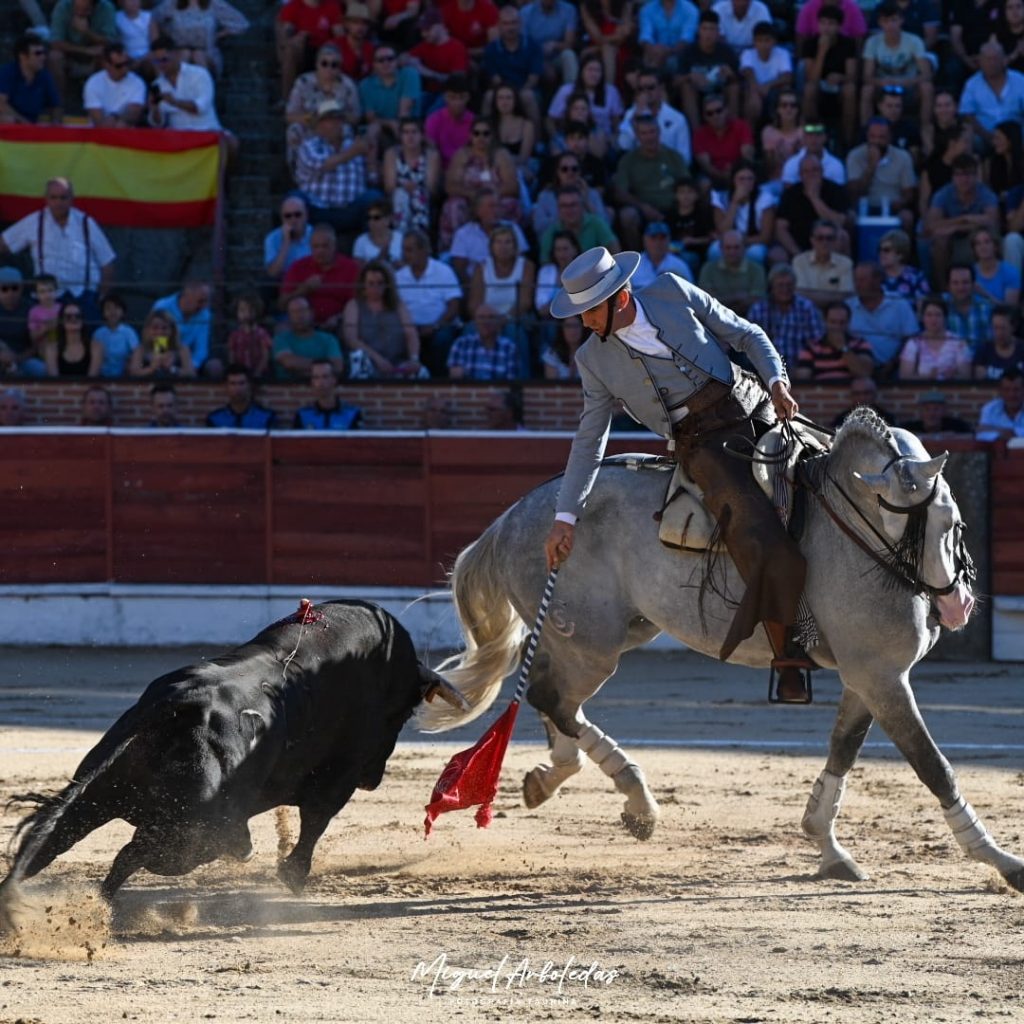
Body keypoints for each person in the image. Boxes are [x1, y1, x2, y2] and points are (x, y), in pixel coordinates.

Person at [545, 245, 813, 703]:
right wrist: (565, 517)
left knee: (824, 476)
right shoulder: (593, 359)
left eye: (590, 312)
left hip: (755, 402)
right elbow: (590, 440)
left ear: (620, 299)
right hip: (702, 443)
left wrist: (777, 382)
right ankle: (788, 648)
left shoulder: (671, 290)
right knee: (753, 527)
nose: (584, 323)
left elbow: (747, 335)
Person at [0, 177, 116, 323]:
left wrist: (100, 298)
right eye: (53, 198)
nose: (58, 203)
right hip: (48, 299)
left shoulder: (86, 222)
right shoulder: (35, 221)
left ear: (72, 199)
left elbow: (107, 263)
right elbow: (4, 243)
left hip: (85, 296)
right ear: (46, 199)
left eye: (63, 198)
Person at [293, 98, 378, 234]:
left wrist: (371, 161)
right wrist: (353, 152)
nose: (335, 124)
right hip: (318, 210)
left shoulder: (355, 145)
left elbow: (372, 180)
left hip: (350, 209)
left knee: (374, 198)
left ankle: (369, 246)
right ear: (319, 125)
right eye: (329, 120)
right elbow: (322, 166)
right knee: (295, 199)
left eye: (339, 119)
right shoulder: (309, 146)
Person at [613, 114, 690, 249]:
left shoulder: (674, 157)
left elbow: (688, 184)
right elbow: (620, 192)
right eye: (644, 133)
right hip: (644, 211)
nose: (649, 137)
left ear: (659, 132)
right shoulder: (628, 161)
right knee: (627, 215)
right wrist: (643, 207)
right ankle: (637, 258)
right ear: (637, 136)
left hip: (675, 209)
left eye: (652, 132)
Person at [923, 153, 999, 288]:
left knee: (985, 238)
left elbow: (991, 220)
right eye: (959, 175)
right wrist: (962, 219)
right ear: (953, 177)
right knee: (939, 239)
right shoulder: (943, 194)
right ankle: (943, 288)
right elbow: (932, 225)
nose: (964, 179)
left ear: (976, 176)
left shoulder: (986, 194)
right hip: (951, 240)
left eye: (968, 174)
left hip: (974, 239)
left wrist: (958, 226)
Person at [394, 230, 463, 377]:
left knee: (441, 340)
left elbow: (454, 306)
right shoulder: (398, 277)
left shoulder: (444, 271)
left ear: (424, 250)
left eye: (409, 250)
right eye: (404, 250)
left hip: (439, 326)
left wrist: (436, 326)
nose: (405, 254)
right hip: (409, 329)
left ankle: (439, 382)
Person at [284, 42, 360, 173]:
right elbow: (290, 116)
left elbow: (356, 116)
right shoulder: (303, 82)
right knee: (294, 130)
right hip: (310, 125)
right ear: (317, 64)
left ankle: (342, 172)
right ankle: (298, 173)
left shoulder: (348, 85)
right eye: (324, 63)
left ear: (340, 67)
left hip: (337, 127)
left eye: (334, 65)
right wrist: (311, 118)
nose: (329, 68)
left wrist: (337, 118)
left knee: (347, 131)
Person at [341, 260, 425, 378]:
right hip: (368, 362)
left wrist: (414, 359)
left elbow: (411, 334)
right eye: (371, 283)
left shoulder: (398, 305)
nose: (376, 288)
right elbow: (351, 339)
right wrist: (378, 359)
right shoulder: (354, 305)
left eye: (380, 283)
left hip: (397, 363)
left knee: (420, 373)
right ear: (363, 285)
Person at [859, 0, 933, 129]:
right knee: (867, 90)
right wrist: (882, 82)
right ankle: (866, 130)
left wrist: (905, 82)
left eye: (894, 20)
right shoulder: (872, 42)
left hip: (908, 87)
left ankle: (925, 129)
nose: (891, 25)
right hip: (883, 88)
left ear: (901, 21)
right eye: (886, 21)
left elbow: (926, 74)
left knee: (927, 87)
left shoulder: (914, 41)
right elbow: (866, 76)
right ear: (880, 23)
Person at [279, 223, 359, 331]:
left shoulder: (351, 268)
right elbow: (282, 304)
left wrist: (340, 318)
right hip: (303, 324)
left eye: (325, 246)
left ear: (334, 246)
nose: (320, 251)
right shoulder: (298, 267)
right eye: (316, 246)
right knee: (282, 329)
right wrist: (304, 289)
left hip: (340, 323)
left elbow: (359, 304)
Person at [845, 261, 919, 375]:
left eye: (862, 280)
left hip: (895, 368)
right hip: (857, 370)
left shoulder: (899, 303)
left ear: (877, 280)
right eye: (856, 280)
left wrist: (894, 363)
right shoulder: (848, 306)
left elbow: (911, 338)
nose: (857, 284)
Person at [845, 117, 917, 232]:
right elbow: (854, 193)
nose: (876, 142)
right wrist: (871, 166)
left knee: (907, 217)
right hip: (863, 206)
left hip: (892, 207)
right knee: (849, 218)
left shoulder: (903, 157)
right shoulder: (855, 155)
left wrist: (901, 203)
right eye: (872, 137)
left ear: (889, 138)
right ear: (867, 136)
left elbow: (908, 193)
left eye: (881, 137)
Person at [800, 4, 857, 143]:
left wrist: (841, 78)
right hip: (819, 83)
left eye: (831, 24)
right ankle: (812, 136)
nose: (826, 27)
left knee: (850, 90)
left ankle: (847, 139)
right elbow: (811, 77)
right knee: (809, 89)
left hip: (840, 84)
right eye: (823, 23)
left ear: (839, 27)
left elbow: (853, 75)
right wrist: (822, 51)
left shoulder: (848, 44)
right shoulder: (810, 43)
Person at [747, 264, 824, 367]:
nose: (785, 289)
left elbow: (817, 341)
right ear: (771, 286)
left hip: (801, 367)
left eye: (789, 285)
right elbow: (749, 344)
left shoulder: (806, 308)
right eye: (780, 285)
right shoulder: (758, 309)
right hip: (766, 368)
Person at [149, 0, 249, 77]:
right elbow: (154, 19)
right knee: (185, 54)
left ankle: (204, 96)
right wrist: (158, 45)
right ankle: (180, 93)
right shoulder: (172, 4)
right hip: (179, 49)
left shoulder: (213, 4)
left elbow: (241, 23)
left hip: (206, 51)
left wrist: (219, 35)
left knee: (198, 56)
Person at [146, 35, 223, 132]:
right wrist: (155, 107)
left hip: (206, 131)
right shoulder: (157, 85)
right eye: (157, 61)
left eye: (164, 60)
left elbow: (200, 107)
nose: (161, 65)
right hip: (178, 137)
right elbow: (158, 124)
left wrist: (175, 102)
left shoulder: (199, 74)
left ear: (176, 55)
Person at [678, 9, 740, 127]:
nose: (708, 33)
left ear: (718, 32)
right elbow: (675, 82)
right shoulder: (688, 52)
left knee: (734, 87)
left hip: (720, 90)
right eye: (704, 29)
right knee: (686, 87)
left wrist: (730, 75)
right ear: (698, 30)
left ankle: (733, 129)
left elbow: (738, 80)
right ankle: (696, 133)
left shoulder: (727, 52)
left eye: (712, 29)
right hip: (697, 92)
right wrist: (689, 77)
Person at [958, 40, 1024, 150]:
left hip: (1017, 133)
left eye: (995, 58)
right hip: (984, 135)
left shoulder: (1020, 80)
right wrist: (988, 136)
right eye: (987, 59)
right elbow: (967, 115)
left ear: (1003, 60)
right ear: (980, 61)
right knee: (970, 139)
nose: (991, 63)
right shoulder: (972, 84)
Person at [615, 65, 688, 164]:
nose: (646, 92)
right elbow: (624, 145)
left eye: (650, 88)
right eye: (641, 89)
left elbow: (685, 158)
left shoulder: (677, 118)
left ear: (661, 88)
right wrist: (636, 116)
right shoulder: (630, 114)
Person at [48, 0, 119, 100]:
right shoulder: (63, 7)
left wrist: (87, 32)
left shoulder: (106, 8)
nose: (80, 13)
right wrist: (85, 50)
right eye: (77, 8)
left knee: (108, 56)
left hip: (95, 56)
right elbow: (55, 42)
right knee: (54, 57)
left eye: (85, 10)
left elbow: (109, 41)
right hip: (70, 54)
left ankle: (100, 100)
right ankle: (58, 102)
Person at [381, 120, 439, 238]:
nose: (410, 136)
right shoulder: (392, 154)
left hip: (423, 196)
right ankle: (399, 238)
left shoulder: (431, 155)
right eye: (406, 132)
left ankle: (419, 238)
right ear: (401, 136)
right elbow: (389, 187)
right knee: (401, 195)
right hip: (398, 196)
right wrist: (404, 187)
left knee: (419, 194)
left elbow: (431, 188)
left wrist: (415, 188)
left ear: (422, 135)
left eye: (414, 132)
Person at [795, 300, 874, 381]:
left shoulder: (860, 344)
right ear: (825, 321)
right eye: (833, 322)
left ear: (848, 322)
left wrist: (843, 348)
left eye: (842, 323)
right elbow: (803, 380)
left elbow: (865, 373)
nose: (837, 327)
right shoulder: (811, 348)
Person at [358, 42, 421, 142]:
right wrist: (390, 123)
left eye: (390, 59)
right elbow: (371, 118)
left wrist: (398, 130)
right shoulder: (365, 85)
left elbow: (405, 112)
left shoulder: (409, 74)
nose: (386, 63)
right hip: (383, 128)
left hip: (409, 125)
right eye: (381, 60)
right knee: (372, 130)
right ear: (374, 64)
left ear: (396, 61)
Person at [691, 91, 755, 192]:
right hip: (714, 177)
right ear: (704, 117)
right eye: (710, 113)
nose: (715, 116)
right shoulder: (699, 135)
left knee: (746, 176)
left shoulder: (741, 126)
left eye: (719, 111)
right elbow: (706, 166)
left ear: (726, 110)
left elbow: (747, 157)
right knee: (703, 183)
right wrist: (722, 175)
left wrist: (734, 171)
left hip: (739, 172)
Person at [273, 293, 345, 381]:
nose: (299, 316)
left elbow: (337, 367)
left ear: (312, 313)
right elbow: (289, 363)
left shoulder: (329, 339)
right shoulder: (281, 339)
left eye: (303, 310)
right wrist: (323, 368)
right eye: (294, 312)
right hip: (288, 391)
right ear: (288, 317)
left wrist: (301, 370)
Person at [898, 296, 973, 380]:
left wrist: (953, 377)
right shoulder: (913, 343)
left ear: (945, 317)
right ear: (923, 318)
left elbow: (966, 376)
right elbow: (905, 377)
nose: (933, 319)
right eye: (929, 315)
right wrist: (927, 377)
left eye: (938, 315)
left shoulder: (959, 343)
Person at [697, 229, 766, 316]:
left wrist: (723, 301)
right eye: (728, 247)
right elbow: (706, 301)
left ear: (745, 248)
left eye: (736, 247)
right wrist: (737, 297)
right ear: (721, 248)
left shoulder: (756, 270)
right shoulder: (708, 269)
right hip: (716, 318)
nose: (732, 252)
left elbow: (757, 300)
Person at [0, 31, 62, 124]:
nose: (43, 57)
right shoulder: (7, 73)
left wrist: (55, 122)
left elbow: (55, 105)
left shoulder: (44, 76)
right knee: (7, 119)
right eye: (38, 54)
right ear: (23, 56)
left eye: (44, 53)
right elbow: (1, 104)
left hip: (32, 125)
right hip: (13, 126)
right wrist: (24, 123)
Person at [739, 20, 792, 126]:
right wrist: (755, 92)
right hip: (754, 89)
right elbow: (748, 73)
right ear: (754, 42)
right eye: (760, 40)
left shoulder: (782, 54)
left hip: (774, 90)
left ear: (774, 41)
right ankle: (750, 133)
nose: (763, 44)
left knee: (786, 89)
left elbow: (787, 77)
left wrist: (768, 86)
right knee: (749, 94)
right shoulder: (747, 54)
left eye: (767, 40)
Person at [792, 218, 854, 308]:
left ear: (835, 241)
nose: (825, 242)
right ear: (812, 240)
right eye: (820, 238)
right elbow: (800, 295)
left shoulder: (845, 263)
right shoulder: (799, 261)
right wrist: (834, 296)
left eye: (829, 238)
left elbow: (846, 296)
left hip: (835, 315)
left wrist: (810, 294)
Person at [152, 280, 212, 371]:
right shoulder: (162, 307)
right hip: (163, 354)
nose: (204, 306)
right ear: (187, 296)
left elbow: (201, 348)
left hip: (188, 358)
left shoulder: (205, 314)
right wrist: (163, 358)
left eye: (206, 301)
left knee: (215, 366)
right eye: (201, 301)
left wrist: (192, 366)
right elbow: (156, 338)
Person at [447, 306, 518, 380]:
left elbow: (511, 382)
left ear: (498, 322)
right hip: (469, 390)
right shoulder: (461, 344)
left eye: (491, 317)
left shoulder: (509, 347)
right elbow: (456, 381)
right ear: (474, 322)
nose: (486, 321)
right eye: (481, 317)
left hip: (499, 390)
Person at [84, 41, 145, 125]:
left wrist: (116, 118)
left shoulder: (137, 83)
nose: (125, 69)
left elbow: (134, 113)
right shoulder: (93, 83)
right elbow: (97, 119)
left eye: (126, 64)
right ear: (106, 65)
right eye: (119, 66)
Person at [0, 267, 45, 378]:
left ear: (21, 288)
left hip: (25, 359)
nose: (10, 293)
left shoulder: (32, 309)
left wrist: (18, 358)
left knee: (43, 371)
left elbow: (37, 344)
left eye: (14, 288)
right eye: (4, 288)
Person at [293, 358, 362, 429]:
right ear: (312, 382)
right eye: (316, 377)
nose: (320, 383)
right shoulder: (302, 415)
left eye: (325, 377)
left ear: (334, 380)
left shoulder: (352, 414)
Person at [44, 299, 104, 377]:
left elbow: (92, 380)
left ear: (82, 320)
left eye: (77, 316)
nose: (73, 319)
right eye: (68, 317)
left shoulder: (96, 347)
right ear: (62, 321)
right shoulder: (52, 348)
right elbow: (54, 382)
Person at [129, 308, 195, 378]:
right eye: (155, 328)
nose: (160, 332)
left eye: (164, 328)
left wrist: (172, 369)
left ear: (172, 330)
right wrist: (151, 369)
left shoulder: (182, 349)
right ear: (147, 330)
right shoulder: (140, 349)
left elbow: (191, 374)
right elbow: (133, 373)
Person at [205, 364, 276, 429]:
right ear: (226, 387)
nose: (237, 388)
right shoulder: (215, 419)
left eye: (241, 383)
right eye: (233, 384)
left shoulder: (266, 417)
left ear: (249, 385)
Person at [264, 195, 313, 287]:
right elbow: (273, 273)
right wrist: (286, 242)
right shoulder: (272, 238)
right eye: (288, 216)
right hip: (285, 283)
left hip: (310, 282)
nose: (293, 220)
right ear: (282, 218)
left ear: (306, 215)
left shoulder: (316, 235)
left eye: (298, 215)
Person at [877, 228, 930, 309]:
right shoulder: (875, 276)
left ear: (900, 254)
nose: (881, 253)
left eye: (886, 250)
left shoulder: (916, 277)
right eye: (880, 250)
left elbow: (924, 308)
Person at [632, 221, 693, 287]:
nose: (658, 242)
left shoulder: (680, 266)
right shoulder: (634, 265)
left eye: (662, 238)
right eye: (653, 237)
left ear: (669, 239)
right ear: (645, 239)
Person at [226, 292, 272, 379]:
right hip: (240, 374)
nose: (244, 313)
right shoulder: (234, 335)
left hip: (259, 374)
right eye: (241, 310)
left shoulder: (262, 334)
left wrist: (258, 372)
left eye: (249, 310)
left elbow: (265, 356)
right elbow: (231, 355)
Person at [970, 227, 1021, 306]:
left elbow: (1010, 311)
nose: (983, 247)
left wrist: (985, 294)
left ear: (995, 246)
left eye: (987, 242)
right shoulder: (969, 272)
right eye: (978, 243)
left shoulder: (1010, 272)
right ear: (974, 249)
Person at [94, 292, 139, 377]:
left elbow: (136, 353)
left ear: (123, 311)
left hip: (124, 378)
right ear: (103, 312)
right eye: (108, 308)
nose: (112, 311)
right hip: (101, 379)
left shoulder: (129, 332)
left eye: (116, 308)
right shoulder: (98, 333)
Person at [974, 305, 1024, 379]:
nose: (999, 333)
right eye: (996, 328)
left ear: (1013, 327)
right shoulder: (983, 351)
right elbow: (980, 385)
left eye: (1003, 328)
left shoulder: (1022, 349)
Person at [352, 198, 404, 265]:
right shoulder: (361, 241)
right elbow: (358, 269)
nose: (371, 222)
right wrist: (380, 259)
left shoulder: (401, 239)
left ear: (388, 219)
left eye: (376, 218)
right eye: (369, 218)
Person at [976, 369, 1024, 440]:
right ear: (1000, 391)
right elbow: (981, 435)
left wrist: (997, 431)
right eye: (1006, 390)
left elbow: (985, 429)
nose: (1011, 394)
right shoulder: (990, 409)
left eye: (1016, 389)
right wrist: (1009, 433)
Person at [901, 390, 973, 434]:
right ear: (920, 411)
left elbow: (970, 436)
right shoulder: (909, 428)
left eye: (936, 409)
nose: (932, 414)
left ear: (944, 410)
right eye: (927, 409)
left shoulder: (957, 427)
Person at [27, 274, 62, 357]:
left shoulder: (62, 309)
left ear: (56, 291)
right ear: (36, 294)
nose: (47, 295)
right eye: (42, 291)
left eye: (50, 290)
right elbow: (32, 337)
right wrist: (46, 328)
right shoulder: (34, 312)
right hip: (43, 349)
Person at [541, 314, 584, 379]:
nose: (572, 331)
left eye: (576, 326)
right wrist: (571, 373)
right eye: (568, 326)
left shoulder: (590, 353)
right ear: (562, 329)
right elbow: (552, 386)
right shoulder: (551, 354)